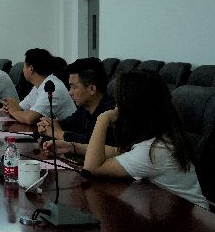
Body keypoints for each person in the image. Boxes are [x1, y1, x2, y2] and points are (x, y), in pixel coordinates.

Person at [43, 70, 207, 209]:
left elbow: (92, 168)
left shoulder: (153, 151)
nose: (116, 107)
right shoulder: (160, 137)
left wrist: (103, 119)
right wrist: (73, 147)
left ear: (131, 106)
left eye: (119, 102)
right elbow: (118, 151)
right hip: (173, 213)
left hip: (195, 226)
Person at [37, 57, 114, 144]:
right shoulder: (84, 109)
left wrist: (60, 134)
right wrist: (47, 125)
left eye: (73, 87)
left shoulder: (111, 112)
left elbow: (93, 142)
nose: (70, 93)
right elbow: (67, 124)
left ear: (92, 89)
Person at [3, 48, 75, 125]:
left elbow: (30, 119)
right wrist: (9, 106)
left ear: (31, 69)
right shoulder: (38, 86)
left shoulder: (52, 87)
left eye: (24, 66)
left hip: (67, 131)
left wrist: (13, 111)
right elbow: (20, 108)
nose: (23, 70)